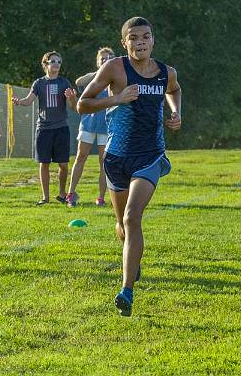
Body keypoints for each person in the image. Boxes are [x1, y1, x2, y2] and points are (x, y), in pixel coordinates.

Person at [78, 17, 182, 316]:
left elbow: (174, 91)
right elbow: (83, 104)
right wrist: (117, 98)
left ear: (153, 40)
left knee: (132, 216)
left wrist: (176, 112)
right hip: (116, 157)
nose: (141, 42)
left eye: (146, 37)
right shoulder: (114, 69)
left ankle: (126, 290)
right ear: (125, 43)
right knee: (122, 225)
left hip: (149, 156)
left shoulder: (165, 73)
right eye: (134, 38)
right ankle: (131, 260)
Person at [13, 51, 77, 205]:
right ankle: (45, 197)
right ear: (45, 64)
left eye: (59, 61)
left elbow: (73, 107)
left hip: (61, 128)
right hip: (43, 129)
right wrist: (19, 101)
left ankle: (62, 194)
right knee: (44, 163)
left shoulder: (64, 82)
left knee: (63, 164)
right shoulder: (39, 83)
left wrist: (72, 97)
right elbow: (29, 100)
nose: (56, 64)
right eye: (53, 61)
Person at [66, 47, 115, 208]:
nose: (106, 60)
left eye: (109, 58)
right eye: (103, 58)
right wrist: (101, 71)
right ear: (98, 61)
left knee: (103, 162)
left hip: (107, 126)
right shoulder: (92, 79)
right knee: (81, 157)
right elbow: (79, 82)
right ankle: (71, 194)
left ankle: (101, 198)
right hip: (88, 124)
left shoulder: (116, 79)